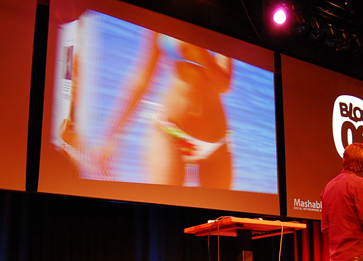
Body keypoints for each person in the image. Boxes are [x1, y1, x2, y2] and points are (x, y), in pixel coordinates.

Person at [58, 29, 234, 188]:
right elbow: (144, 78)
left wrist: (200, 53)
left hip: (214, 142)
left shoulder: (218, 23)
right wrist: (114, 135)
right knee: (163, 207)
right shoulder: (161, 19)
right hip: (172, 131)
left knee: (217, 212)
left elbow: (224, 84)